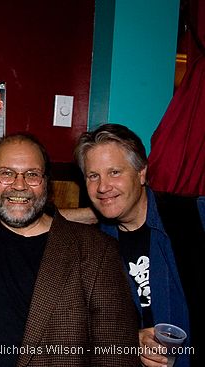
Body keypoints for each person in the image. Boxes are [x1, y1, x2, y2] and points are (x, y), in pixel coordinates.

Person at [0, 133, 140, 367]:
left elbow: (116, 355)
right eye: (7, 173)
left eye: (32, 174)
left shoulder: (96, 252)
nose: (19, 185)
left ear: (46, 183)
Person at [74, 123, 205, 367]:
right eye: (93, 176)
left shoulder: (193, 217)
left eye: (114, 172)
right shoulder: (91, 247)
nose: (103, 187)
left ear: (141, 173)